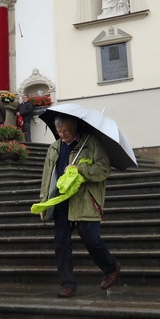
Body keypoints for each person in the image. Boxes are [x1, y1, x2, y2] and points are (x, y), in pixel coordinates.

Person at [39, 115, 120, 298]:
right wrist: (44, 200)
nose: (62, 134)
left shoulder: (91, 144)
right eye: (59, 131)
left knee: (90, 237)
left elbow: (104, 169)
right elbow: (47, 176)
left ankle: (111, 267)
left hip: (84, 199)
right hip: (61, 200)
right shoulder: (54, 148)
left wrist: (80, 169)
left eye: (65, 131)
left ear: (74, 128)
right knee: (61, 243)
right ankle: (67, 284)